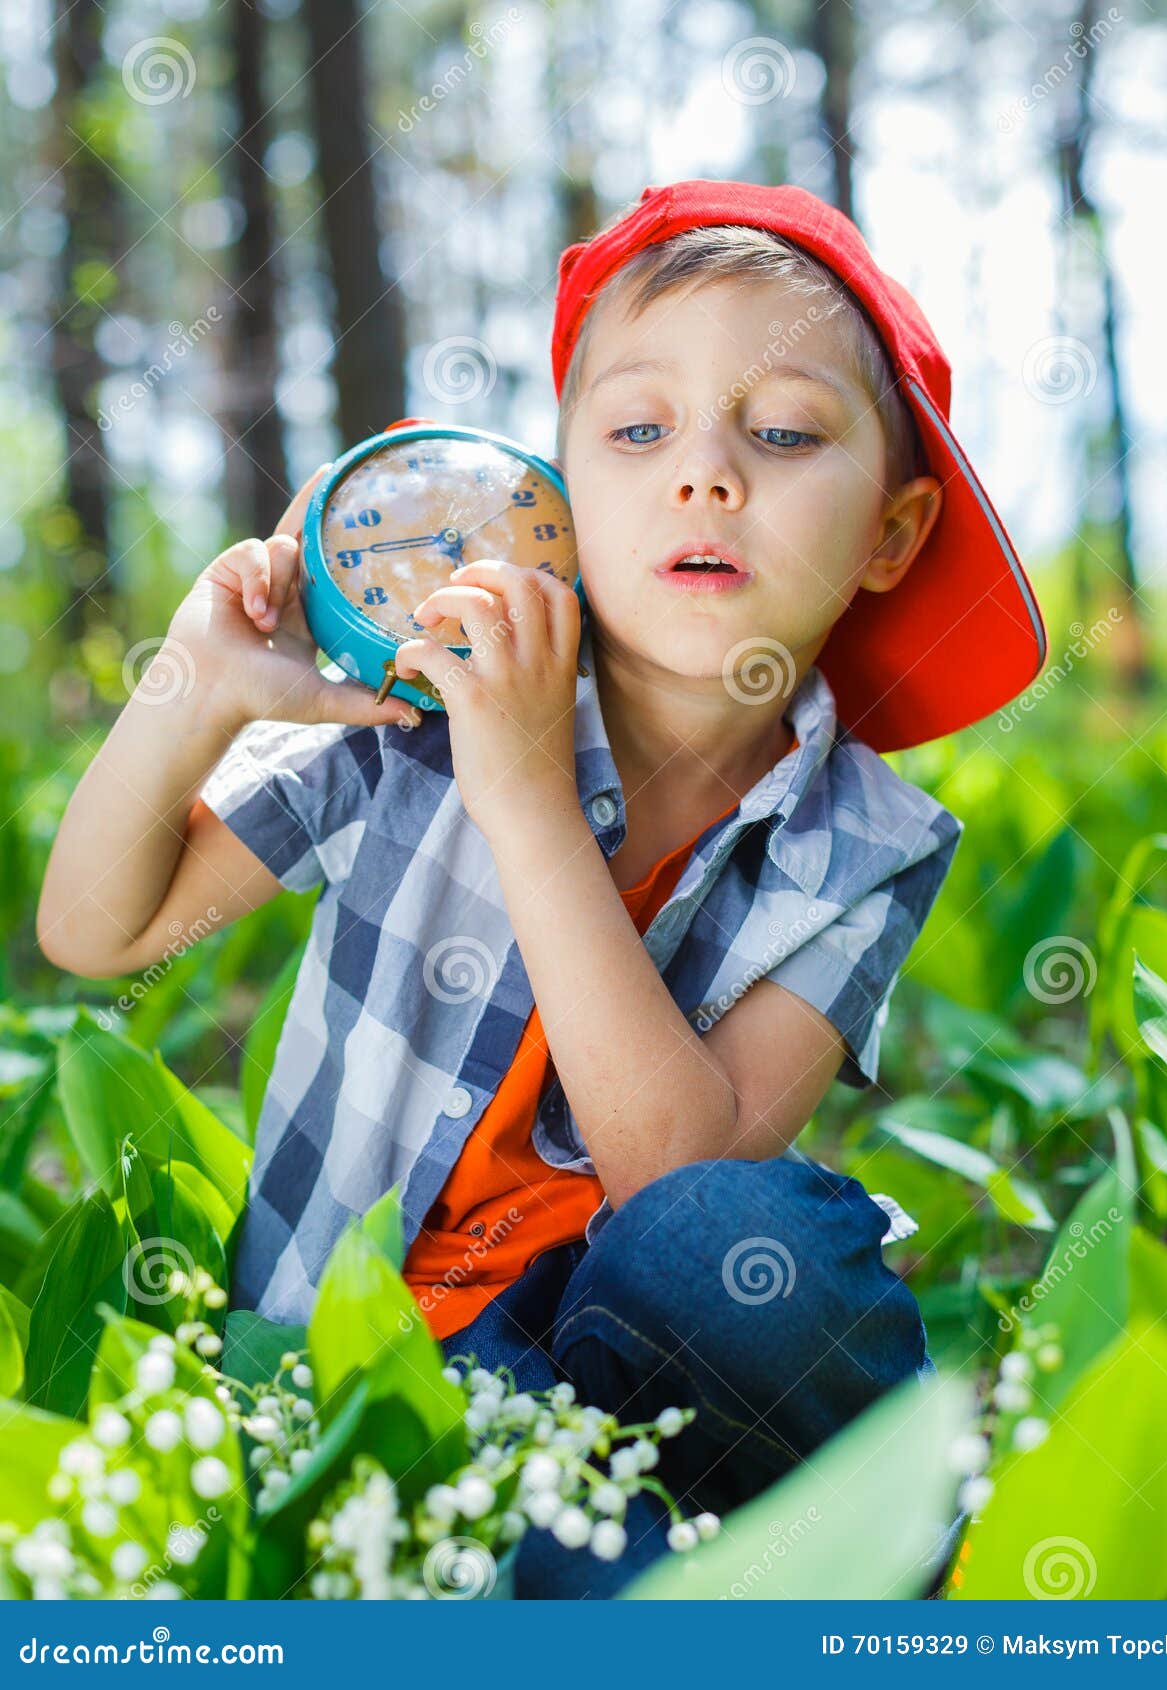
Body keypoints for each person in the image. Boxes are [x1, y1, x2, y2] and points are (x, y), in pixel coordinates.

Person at [36, 179, 1045, 1600]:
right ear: (554, 494)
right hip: (397, 1362)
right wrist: (196, 689)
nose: (706, 476)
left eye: (783, 432)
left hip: (663, 1333)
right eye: (638, 431)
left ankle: (875, 1542)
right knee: (562, 1569)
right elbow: (99, 928)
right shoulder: (415, 705)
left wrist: (526, 794)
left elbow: (683, 1184)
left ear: (892, 530)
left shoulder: (867, 843)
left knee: (749, 1240)